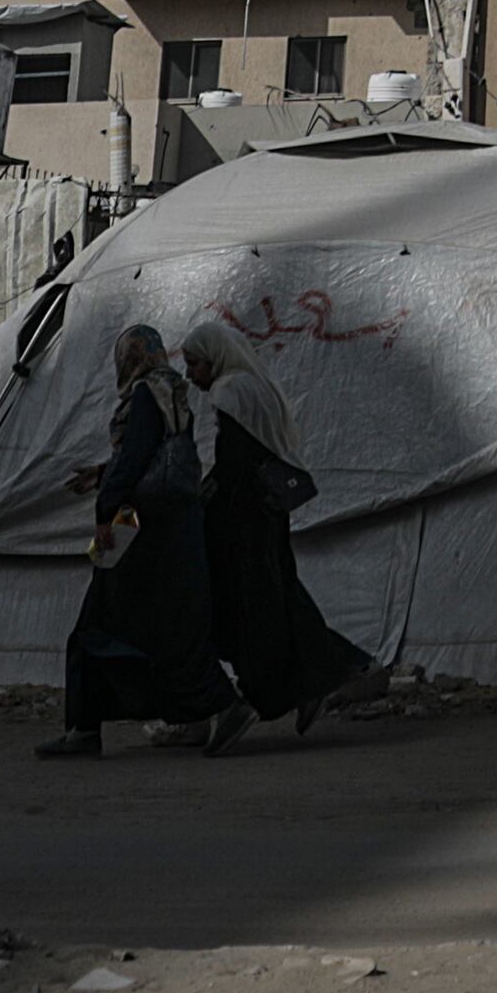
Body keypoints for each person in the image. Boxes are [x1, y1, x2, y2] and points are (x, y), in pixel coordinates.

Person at [39, 323, 242, 758]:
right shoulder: (173, 390)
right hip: (173, 523)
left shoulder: (147, 395)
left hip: (135, 524)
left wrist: (104, 512)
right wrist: (102, 473)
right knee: (166, 625)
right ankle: (207, 708)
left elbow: (134, 459)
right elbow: (155, 456)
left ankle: (85, 727)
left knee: (97, 619)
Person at [178, 320, 380, 731]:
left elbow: (236, 461)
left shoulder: (228, 391)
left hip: (243, 519)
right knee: (281, 594)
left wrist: (206, 499)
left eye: (195, 364)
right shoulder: (256, 385)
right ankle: (321, 676)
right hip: (268, 513)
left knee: (254, 604)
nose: (190, 374)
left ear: (213, 358)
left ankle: (276, 689)